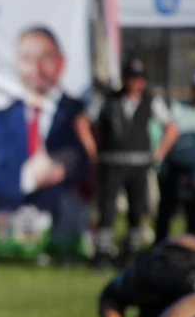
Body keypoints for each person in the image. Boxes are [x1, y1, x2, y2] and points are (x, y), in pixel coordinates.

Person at [0, 27, 88, 258]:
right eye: (28, 59)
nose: (38, 68)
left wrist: (69, 170)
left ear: (61, 62)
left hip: (60, 225)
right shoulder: (0, 118)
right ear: (17, 64)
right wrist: (24, 180)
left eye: (46, 58)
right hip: (10, 227)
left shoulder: (77, 115)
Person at [76, 58, 179, 266]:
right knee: (107, 208)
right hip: (112, 161)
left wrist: (159, 153)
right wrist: (92, 151)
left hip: (139, 163)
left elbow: (171, 127)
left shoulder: (151, 101)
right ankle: (102, 252)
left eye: (139, 79)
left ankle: (131, 251)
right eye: (132, 79)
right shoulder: (108, 98)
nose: (135, 84)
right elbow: (82, 121)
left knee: (138, 208)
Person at [97, 235, 195, 317]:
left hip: (156, 260)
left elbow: (111, 294)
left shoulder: (194, 239)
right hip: (193, 275)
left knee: (114, 295)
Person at [156, 70, 195, 239]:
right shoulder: (178, 108)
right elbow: (168, 137)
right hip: (175, 170)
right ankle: (160, 247)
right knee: (166, 211)